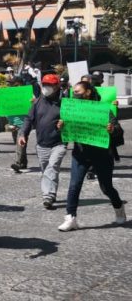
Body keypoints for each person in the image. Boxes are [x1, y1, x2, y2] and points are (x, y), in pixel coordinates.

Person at [57, 81, 126, 231]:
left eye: (78, 91)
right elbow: (65, 130)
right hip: (80, 154)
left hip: (102, 155)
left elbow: (119, 131)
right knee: (74, 185)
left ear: (88, 92)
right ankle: (70, 217)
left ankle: (118, 206)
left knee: (106, 187)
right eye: (73, 91)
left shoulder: (103, 110)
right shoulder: (72, 109)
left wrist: (111, 129)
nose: (74, 94)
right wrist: (61, 126)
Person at [19, 74, 67, 209]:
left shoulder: (66, 102)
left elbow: (75, 121)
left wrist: (65, 123)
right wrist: (23, 134)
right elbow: (29, 119)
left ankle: (48, 196)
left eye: (50, 85)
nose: (46, 87)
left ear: (57, 86)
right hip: (42, 144)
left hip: (59, 143)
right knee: (47, 170)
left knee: (52, 167)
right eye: (44, 84)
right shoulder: (37, 102)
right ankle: (51, 193)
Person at [5, 76, 29, 173]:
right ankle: (23, 163)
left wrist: (32, 101)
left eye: (14, 84)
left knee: (20, 142)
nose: (12, 86)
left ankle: (18, 163)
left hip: (25, 123)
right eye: (11, 84)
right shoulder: (9, 94)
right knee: (19, 143)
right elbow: (4, 106)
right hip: (13, 122)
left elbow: (35, 104)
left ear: (20, 84)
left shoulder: (27, 93)